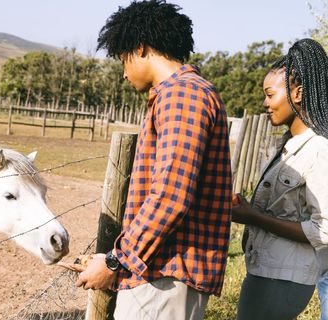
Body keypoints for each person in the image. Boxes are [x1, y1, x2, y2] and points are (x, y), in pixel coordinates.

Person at [73, 1, 233, 319]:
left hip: (165, 277)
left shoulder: (181, 95)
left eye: (123, 59)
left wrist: (115, 260)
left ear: (142, 48)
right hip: (162, 271)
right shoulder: (181, 94)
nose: (123, 72)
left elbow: (171, 196)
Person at [233, 38, 328, 320]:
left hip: (283, 279)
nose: (264, 103)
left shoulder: (319, 150)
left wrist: (254, 217)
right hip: (268, 272)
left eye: (270, 94)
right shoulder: (288, 145)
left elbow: (324, 230)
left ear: (297, 93)